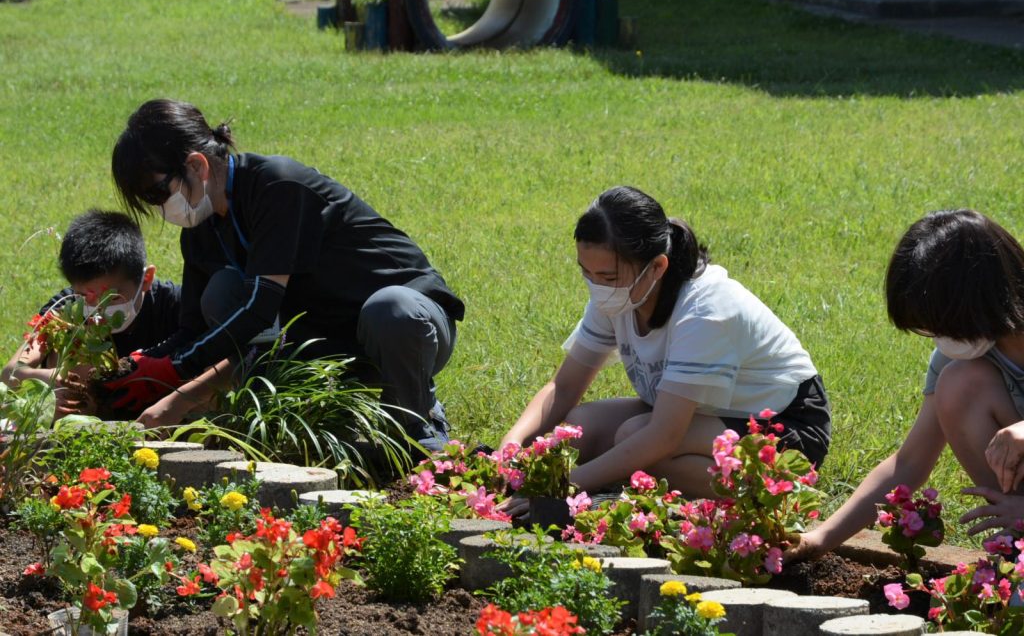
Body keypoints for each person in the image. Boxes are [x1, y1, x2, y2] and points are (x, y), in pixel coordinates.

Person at [102, 98, 464, 451]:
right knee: (222, 292)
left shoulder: (276, 186)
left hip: (411, 329)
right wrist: (139, 365)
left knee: (390, 307)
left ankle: (418, 421)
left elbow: (261, 307)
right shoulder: (201, 229)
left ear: (196, 165)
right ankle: (283, 417)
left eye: (156, 193)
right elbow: (192, 330)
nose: (160, 208)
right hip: (329, 340)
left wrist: (175, 370)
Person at [499, 186, 831, 499]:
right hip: (704, 417)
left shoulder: (704, 310)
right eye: (587, 274)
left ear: (657, 266)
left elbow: (663, 435)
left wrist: (565, 486)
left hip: (785, 426)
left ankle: (775, 491)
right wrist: (512, 443)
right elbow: (565, 387)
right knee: (581, 427)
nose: (597, 287)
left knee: (637, 442)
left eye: (608, 277)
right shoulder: (619, 296)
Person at [789, 209, 1024, 561]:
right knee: (959, 385)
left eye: (944, 324)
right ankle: (1017, 542)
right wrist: (820, 538)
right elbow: (910, 463)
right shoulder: (962, 358)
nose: (940, 339)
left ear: (982, 300)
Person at [1, 210, 181, 419]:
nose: (98, 308)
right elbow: (9, 373)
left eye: (112, 298)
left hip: (162, 416)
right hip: (85, 420)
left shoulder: (174, 305)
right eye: (84, 295)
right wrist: (42, 378)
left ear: (146, 279)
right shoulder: (65, 308)